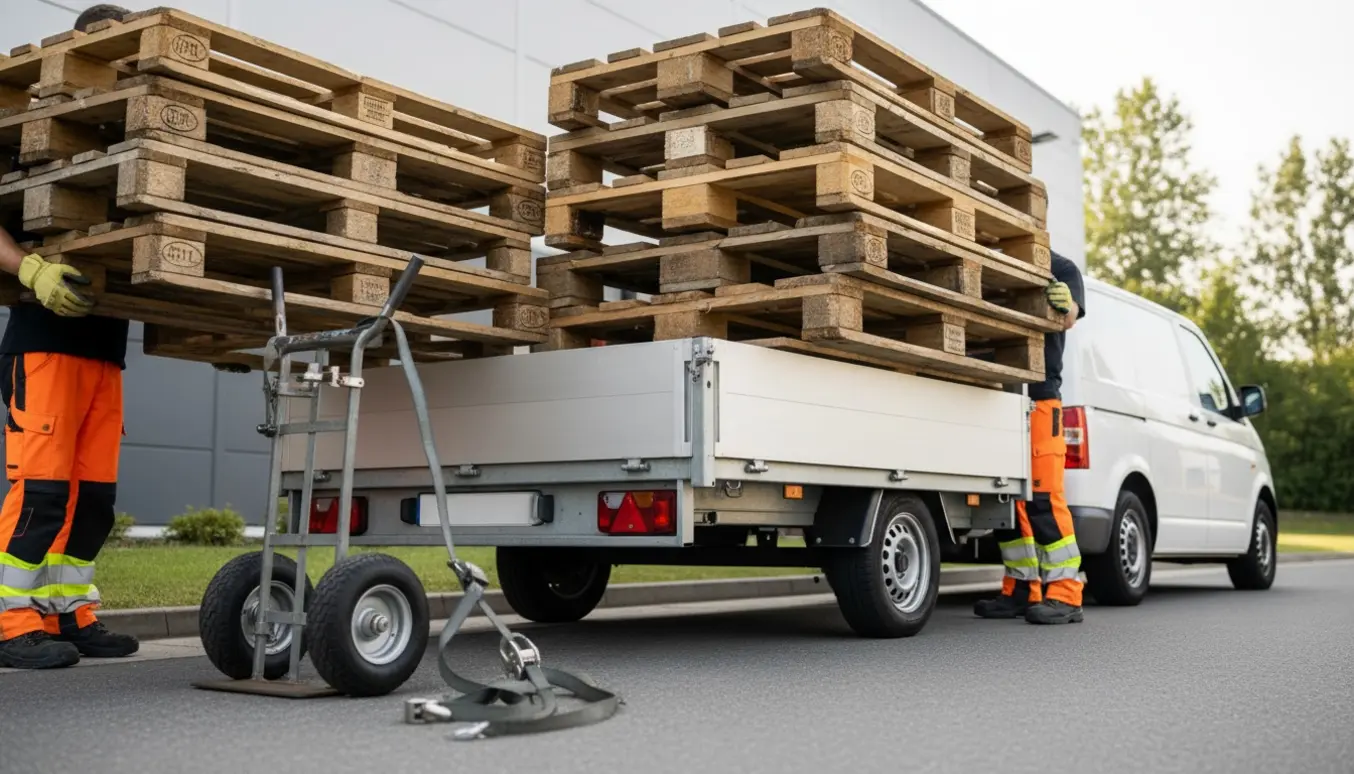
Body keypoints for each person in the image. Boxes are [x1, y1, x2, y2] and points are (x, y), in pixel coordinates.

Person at [0, 3, 138, 670]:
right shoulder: (33, 131)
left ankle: (66, 612)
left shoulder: (129, 135)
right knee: (42, 493)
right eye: (101, 51)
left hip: (105, 351)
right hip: (43, 343)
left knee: (94, 502)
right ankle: (8, 623)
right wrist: (27, 265)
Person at [974, 251, 1086, 625]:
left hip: (1040, 401)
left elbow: (1070, 315)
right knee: (1008, 501)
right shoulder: (990, 258)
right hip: (999, 397)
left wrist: (1064, 303)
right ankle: (1022, 589)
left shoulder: (1062, 268)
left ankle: (1067, 594)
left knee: (1043, 499)